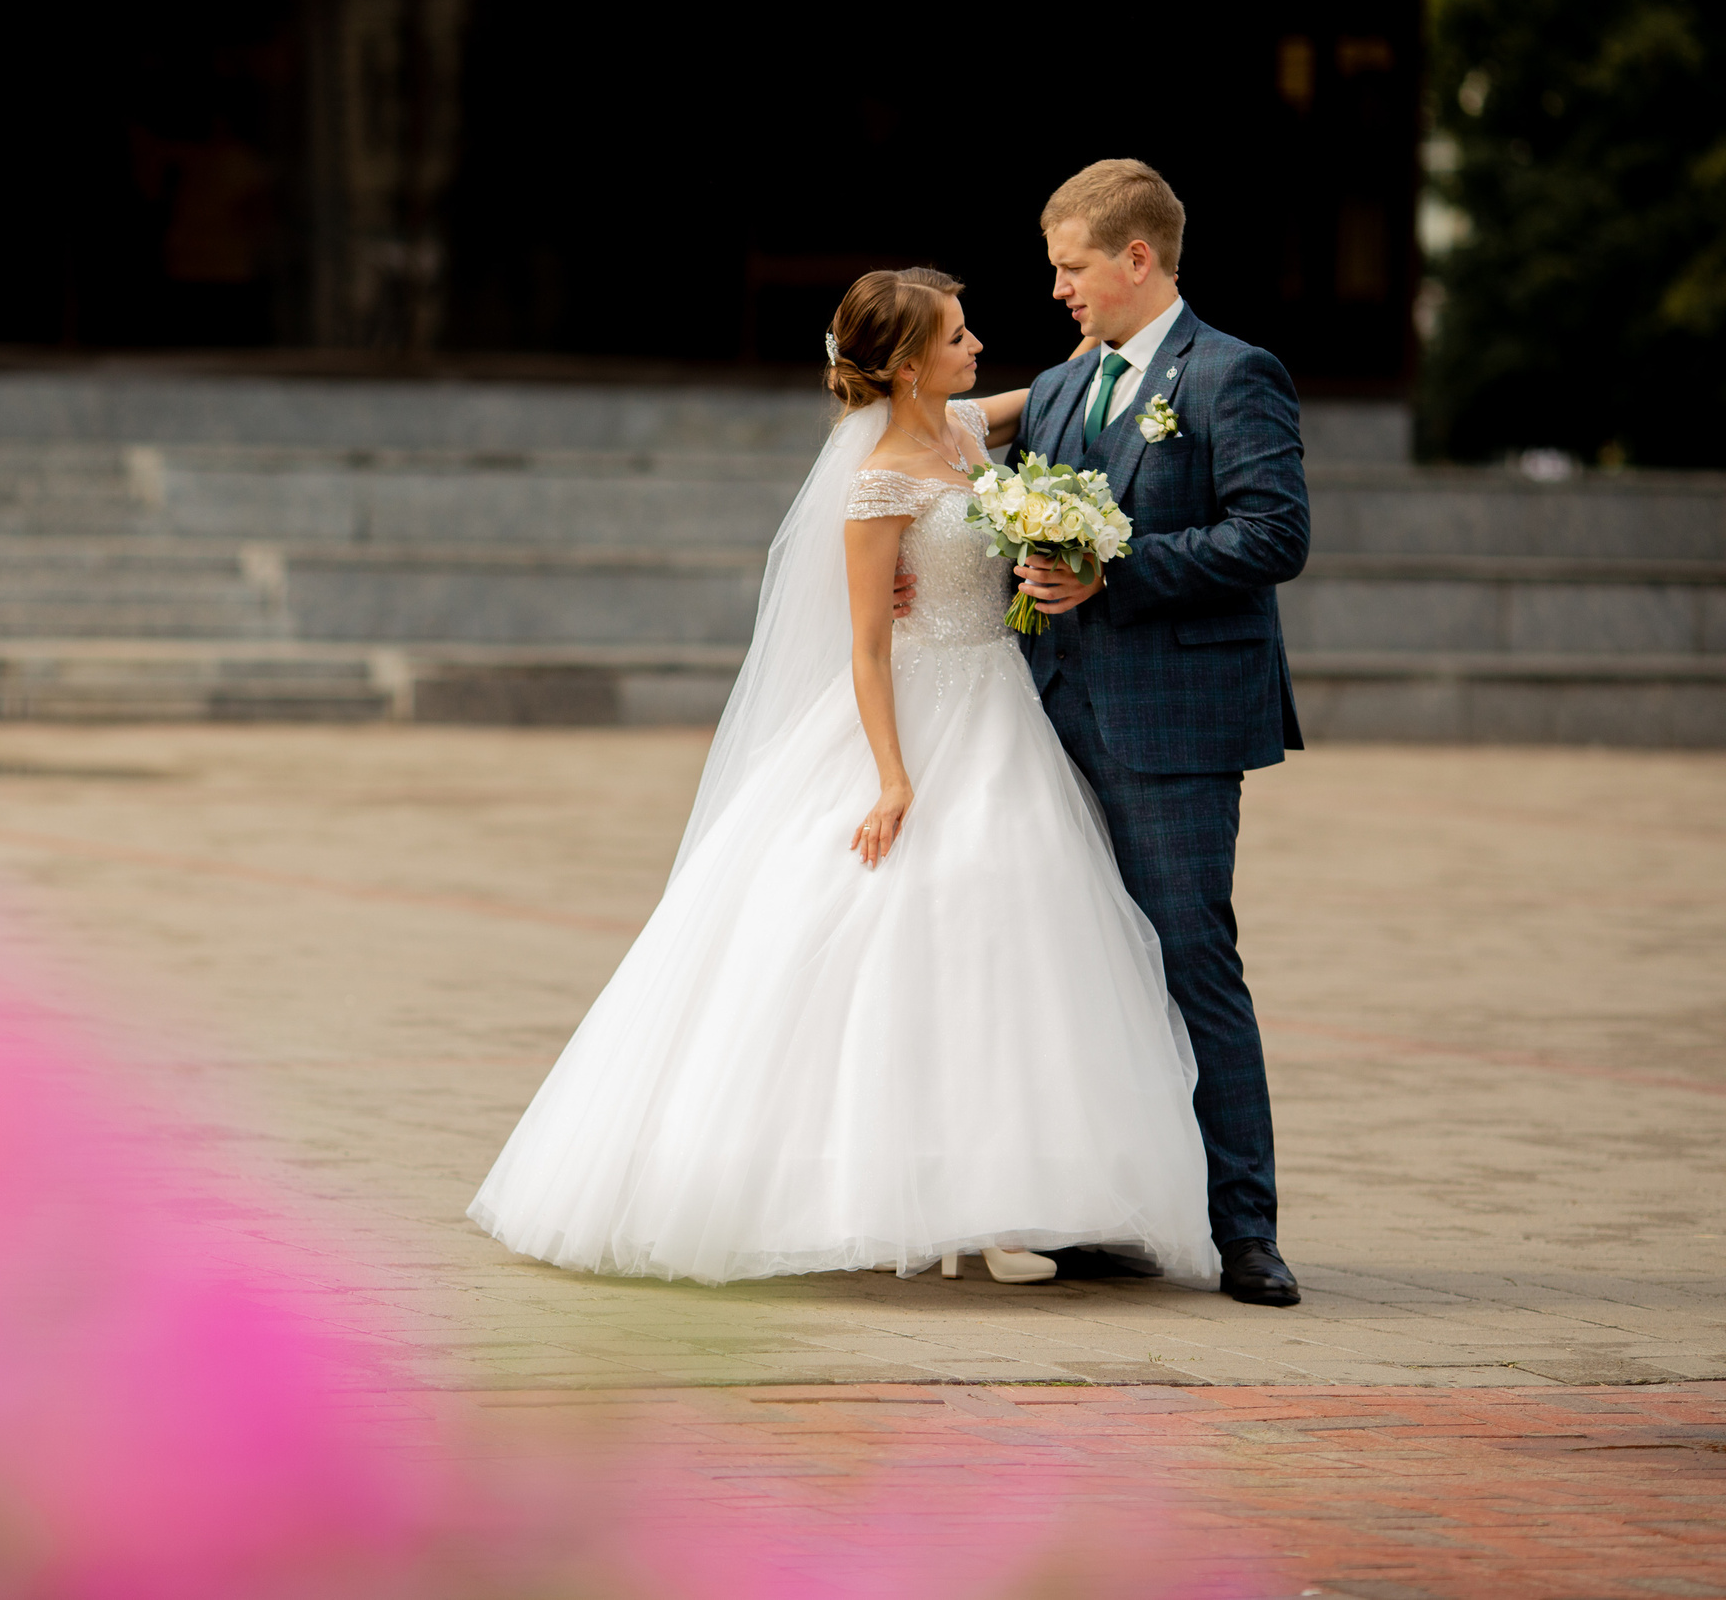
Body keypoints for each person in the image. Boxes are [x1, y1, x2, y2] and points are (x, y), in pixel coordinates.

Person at [467, 262, 1220, 1290]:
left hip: (998, 710)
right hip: (916, 711)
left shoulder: (962, 430)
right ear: (908, 365)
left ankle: (996, 1201)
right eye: (956, 336)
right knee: (908, 926)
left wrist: (1122, 318)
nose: (974, 348)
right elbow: (865, 650)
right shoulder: (873, 483)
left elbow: (1061, 381)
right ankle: (932, 1201)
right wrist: (892, 778)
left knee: (1005, 933)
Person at [1002, 160, 1310, 1306]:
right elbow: (1011, 521)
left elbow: (1272, 537)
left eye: (1071, 268)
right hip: (1048, 716)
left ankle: (1245, 1232)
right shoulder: (1053, 390)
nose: (1058, 290)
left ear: (1137, 259)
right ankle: (1094, 1218)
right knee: (1077, 966)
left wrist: (1110, 565)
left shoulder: (1234, 375)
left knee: (1190, 960)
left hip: (1173, 718)